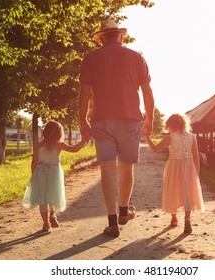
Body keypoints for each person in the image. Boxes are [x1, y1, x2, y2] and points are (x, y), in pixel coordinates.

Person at [79, 19, 155, 237]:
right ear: (120, 36)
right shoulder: (136, 57)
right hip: (131, 118)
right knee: (126, 167)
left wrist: (82, 119)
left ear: (101, 38)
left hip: (101, 119)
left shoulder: (91, 57)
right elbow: (147, 92)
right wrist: (149, 118)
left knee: (107, 168)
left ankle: (112, 222)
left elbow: (84, 92)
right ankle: (123, 212)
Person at [23, 120, 89, 232]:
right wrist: (84, 141)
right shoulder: (59, 145)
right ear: (59, 134)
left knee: (43, 200)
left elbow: (34, 162)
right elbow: (74, 149)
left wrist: (34, 175)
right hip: (54, 173)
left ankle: (46, 224)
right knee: (53, 194)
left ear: (45, 132)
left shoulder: (39, 145)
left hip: (40, 172)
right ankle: (52, 215)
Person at [144, 114, 205, 233]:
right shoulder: (192, 137)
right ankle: (187, 219)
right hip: (188, 167)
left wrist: (147, 137)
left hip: (173, 167)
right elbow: (196, 156)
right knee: (188, 192)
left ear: (171, 125)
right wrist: (196, 172)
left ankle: (174, 218)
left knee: (173, 190)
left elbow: (154, 149)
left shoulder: (170, 137)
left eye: (168, 126)